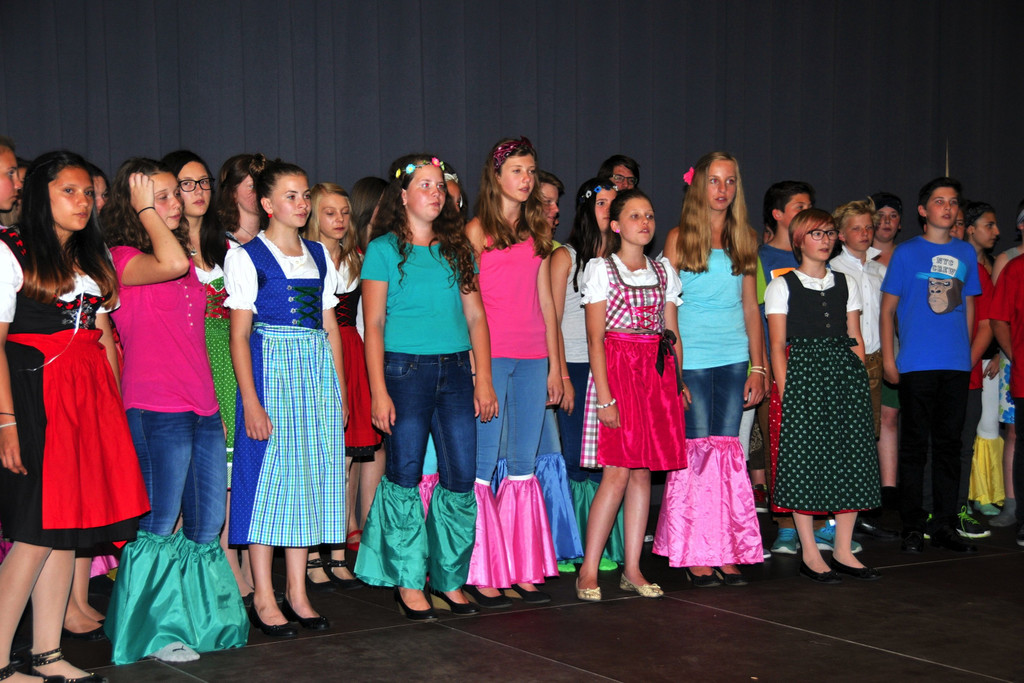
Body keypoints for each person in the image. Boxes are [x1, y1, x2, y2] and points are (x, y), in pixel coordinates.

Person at [0, 150, 148, 683]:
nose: (83, 201)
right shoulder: (10, 251)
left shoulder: (90, 258)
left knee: (68, 527)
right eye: (69, 190)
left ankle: (46, 653)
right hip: (37, 395)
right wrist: (7, 422)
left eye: (88, 192)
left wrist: (112, 409)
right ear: (40, 195)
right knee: (36, 531)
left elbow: (103, 338)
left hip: (87, 398)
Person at [103, 158, 247, 664]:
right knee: (160, 520)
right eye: (160, 196)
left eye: (173, 195)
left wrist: (216, 404)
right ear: (135, 204)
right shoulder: (123, 258)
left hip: (201, 403)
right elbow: (169, 263)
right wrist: (148, 211)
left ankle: (203, 620)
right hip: (155, 405)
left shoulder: (186, 257)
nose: (174, 203)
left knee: (207, 521)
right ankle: (154, 631)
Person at [354, 154, 497, 619]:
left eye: (440, 186)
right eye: (425, 185)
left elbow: (476, 316)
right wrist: (378, 390)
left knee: (460, 475)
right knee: (405, 473)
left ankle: (449, 578)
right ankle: (408, 580)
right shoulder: (382, 250)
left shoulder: (457, 249)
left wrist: (483, 379)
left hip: (455, 372)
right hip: (404, 373)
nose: (435, 193)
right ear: (403, 196)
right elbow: (374, 324)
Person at [225, 156, 347, 637]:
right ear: (268, 203)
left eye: (305, 195)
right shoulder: (247, 256)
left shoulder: (318, 254)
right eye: (290, 196)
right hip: (271, 371)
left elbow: (330, 326)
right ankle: (263, 593)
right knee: (268, 484)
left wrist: (338, 392)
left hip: (314, 374)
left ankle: (298, 592)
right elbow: (239, 335)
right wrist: (251, 402)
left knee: (307, 483)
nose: (301, 204)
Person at [653, 152, 766, 586]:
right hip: (693, 361)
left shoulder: (745, 238)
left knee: (727, 454)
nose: (722, 189)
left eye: (730, 181)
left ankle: (725, 548)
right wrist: (675, 371)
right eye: (715, 181)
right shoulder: (678, 238)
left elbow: (751, 308)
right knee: (696, 454)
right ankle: (695, 551)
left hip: (734, 358)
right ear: (699, 186)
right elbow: (668, 312)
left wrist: (759, 367)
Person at [574, 188, 690, 601]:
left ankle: (633, 567)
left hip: (655, 374)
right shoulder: (601, 269)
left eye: (650, 215)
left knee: (643, 471)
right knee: (617, 471)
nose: (645, 222)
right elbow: (595, 339)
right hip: (619, 371)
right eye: (635, 216)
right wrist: (605, 397)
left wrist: (678, 382)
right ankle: (588, 568)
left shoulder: (663, 271)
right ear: (616, 225)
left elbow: (671, 333)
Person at [465, 137, 561, 606]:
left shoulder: (536, 231)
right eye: (517, 170)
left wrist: (556, 367)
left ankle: (520, 564)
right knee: (482, 465)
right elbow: (467, 306)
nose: (526, 179)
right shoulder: (475, 232)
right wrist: (478, 371)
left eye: (531, 171)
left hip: (533, 357)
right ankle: (479, 568)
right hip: (492, 357)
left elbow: (547, 303)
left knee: (523, 465)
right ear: (497, 175)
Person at [767, 208, 881, 583]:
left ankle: (844, 550)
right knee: (805, 463)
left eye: (830, 233)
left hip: (844, 376)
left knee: (851, 460)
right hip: (804, 375)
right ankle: (811, 553)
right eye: (817, 233)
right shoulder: (782, 285)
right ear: (799, 240)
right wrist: (789, 392)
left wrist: (859, 380)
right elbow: (777, 344)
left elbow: (855, 335)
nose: (825, 239)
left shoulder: (846, 282)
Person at [162, 150, 252, 598]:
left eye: (203, 183)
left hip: (229, 364)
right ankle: (192, 576)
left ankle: (232, 565)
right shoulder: (163, 251)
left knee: (230, 477)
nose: (197, 192)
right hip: (185, 365)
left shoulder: (229, 248)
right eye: (186, 184)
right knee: (186, 479)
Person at [880, 177, 981, 554]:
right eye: (939, 201)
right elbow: (887, 310)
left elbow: (969, 304)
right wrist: (889, 358)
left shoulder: (965, 252)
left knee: (949, 446)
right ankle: (912, 524)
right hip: (916, 364)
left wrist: (964, 352)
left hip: (954, 364)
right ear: (923, 210)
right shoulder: (906, 253)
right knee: (914, 446)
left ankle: (945, 524)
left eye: (953, 202)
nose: (947, 208)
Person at [304, 182, 377, 590]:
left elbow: (364, 319)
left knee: (346, 462)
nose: (339, 220)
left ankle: (335, 551)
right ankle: (310, 554)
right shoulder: (302, 258)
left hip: (350, 352)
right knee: (316, 462)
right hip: (316, 355)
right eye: (330, 212)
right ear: (314, 215)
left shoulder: (356, 260)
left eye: (345, 213)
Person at [550, 178, 624, 573]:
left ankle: (603, 544)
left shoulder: (621, 260)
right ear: (585, 209)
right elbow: (552, 321)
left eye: (615, 202)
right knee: (576, 455)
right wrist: (561, 373)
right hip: (577, 365)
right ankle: (572, 545)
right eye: (601, 203)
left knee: (607, 457)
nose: (609, 209)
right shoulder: (565, 257)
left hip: (612, 368)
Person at [829, 199, 897, 540]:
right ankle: (839, 512)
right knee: (845, 438)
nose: (865, 233)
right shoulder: (833, 270)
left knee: (868, 436)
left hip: (876, 357)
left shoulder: (879, 271)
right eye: (856, 228)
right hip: (846, 359)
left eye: (869, 227)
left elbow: (888, 319)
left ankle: (863, 510)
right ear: (841, 235)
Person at [757, 181, 815, 554]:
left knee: (818, 447)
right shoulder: (760, 258)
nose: (808, 213)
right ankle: (786, 525)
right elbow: (753, 314)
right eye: (799, 207)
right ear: (778, 215)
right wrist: (762, 366)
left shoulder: (817, 255)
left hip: (815, 365)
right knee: (781, 448)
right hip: (774, 363)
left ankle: (822, 522)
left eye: (811, 206)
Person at [956, 201, 1000, 538]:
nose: (996, 232)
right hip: (931, 371)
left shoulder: (982, 270)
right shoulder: (917, 260)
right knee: (932, 445)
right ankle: (928, 512)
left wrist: (968, 362)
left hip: (969, 369)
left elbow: (989, 322)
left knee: (966, 442)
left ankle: (963, 505)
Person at [989, 198, 1024, 527]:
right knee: (1018, 438)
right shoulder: (1013, 265)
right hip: (1020, 368)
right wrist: (1014, 355)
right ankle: (1017, 511)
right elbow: (998, 318)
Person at [870, 191, 903, 514]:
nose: (886, 222)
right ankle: (868, 488)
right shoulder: (856, 257)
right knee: (872, 417)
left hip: (901, 344)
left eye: (893, 216)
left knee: (891, 415)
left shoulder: (906, 256)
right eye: (880, 216)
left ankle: (890, 489)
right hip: (868, 346)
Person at [217, 154, 260, 246]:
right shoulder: (218, 243)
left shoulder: (275, 240)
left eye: (263, 186)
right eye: (252, 186)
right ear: (232, 193)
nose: (261, 191)